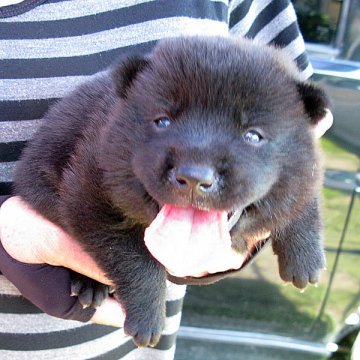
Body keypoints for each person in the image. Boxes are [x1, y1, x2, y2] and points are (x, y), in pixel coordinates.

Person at [0, 1, 333, 359]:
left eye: (252, 134)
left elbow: (302, 134)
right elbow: (86, 206)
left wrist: (300, 226)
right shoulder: (104, 150)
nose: (195, 172)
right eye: (163, 121)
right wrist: (139, 287)